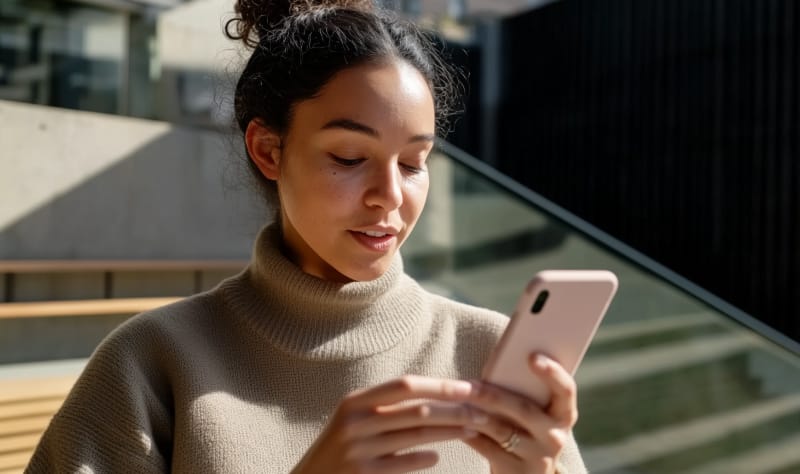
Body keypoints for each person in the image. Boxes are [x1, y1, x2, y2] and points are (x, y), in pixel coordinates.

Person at [27, 1, 587, 472]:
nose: (390, 195)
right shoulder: (153, 363)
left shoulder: (489, 354)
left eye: (414, 163)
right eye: (349, 157)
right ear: (269, 150)